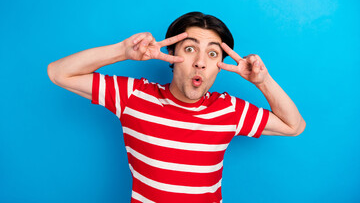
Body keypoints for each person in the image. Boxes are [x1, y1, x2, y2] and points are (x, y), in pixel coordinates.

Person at [47, 12, 306, 203]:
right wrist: (122, 51)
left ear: (220, 65)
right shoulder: (134, 96)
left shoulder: (228, 110)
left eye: (213, 54)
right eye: (190, 49)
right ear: (171, 53)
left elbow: (294, 126)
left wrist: (262, 81)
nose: (200, 62)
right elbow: (59, 73)